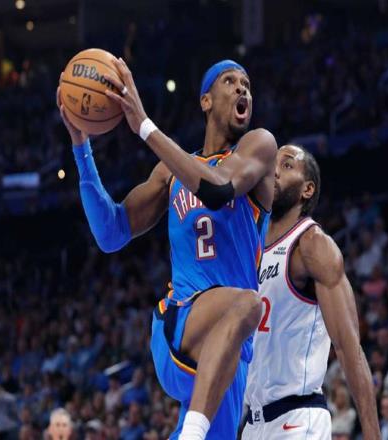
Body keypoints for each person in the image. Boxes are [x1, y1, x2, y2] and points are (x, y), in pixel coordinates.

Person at [57, 58, 276, 440]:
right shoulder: (170, 173)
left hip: (230, 351)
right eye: (230, 81)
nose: (242, 88)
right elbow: (111, 233)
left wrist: (144, 124)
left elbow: (218, 188)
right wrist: (81, 148)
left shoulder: (259, 146)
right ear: (206, 101)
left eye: (246, 84)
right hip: (181, 321)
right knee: (249, 303)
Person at [242, 145, 380, 439]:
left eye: (287, 165)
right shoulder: (250, 247)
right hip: (253, 423)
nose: (274, 171)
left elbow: (349, 348)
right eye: (273, 163)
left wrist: (372, 433)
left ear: (307, 189)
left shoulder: (313, 245)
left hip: (298, 419)